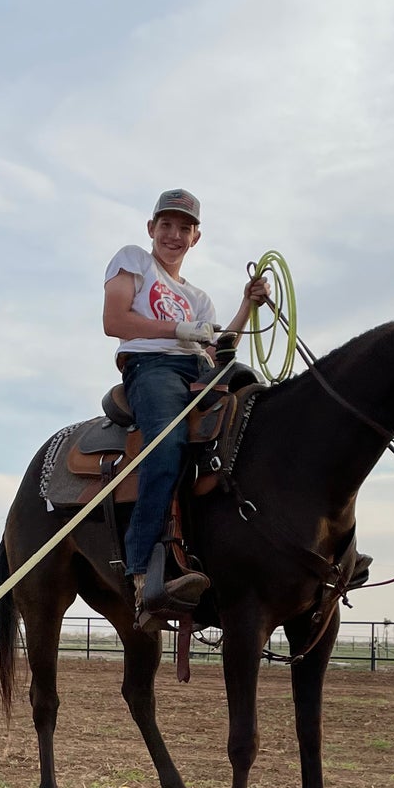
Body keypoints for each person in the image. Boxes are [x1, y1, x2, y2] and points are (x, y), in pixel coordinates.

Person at [102, 188, 269, 619]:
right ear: (151, 229)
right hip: (151, 366)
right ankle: (140, 571)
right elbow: (114, 321)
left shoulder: (199, 298)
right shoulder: (134, 259)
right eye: (167, 225)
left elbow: (220, 345)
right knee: (168, 441)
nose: (174, 234)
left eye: (184, 228)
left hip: (198, 368)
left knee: (259, 414)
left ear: (196, 237)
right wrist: (180, 331)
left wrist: (247, 305)